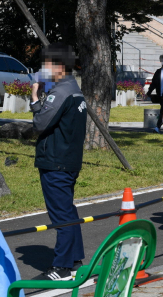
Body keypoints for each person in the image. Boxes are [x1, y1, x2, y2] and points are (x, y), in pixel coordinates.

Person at [30, 44, 86, 281]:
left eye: (46, 65)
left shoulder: (60, 92)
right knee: (68, 211)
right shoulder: (74, 89)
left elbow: (40, 123)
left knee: (61, 216)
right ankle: (74, 260)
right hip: (69, 159)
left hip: (56, 161)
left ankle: (61, 266)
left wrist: (34, 97)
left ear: (59, 66)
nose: (44, 69)